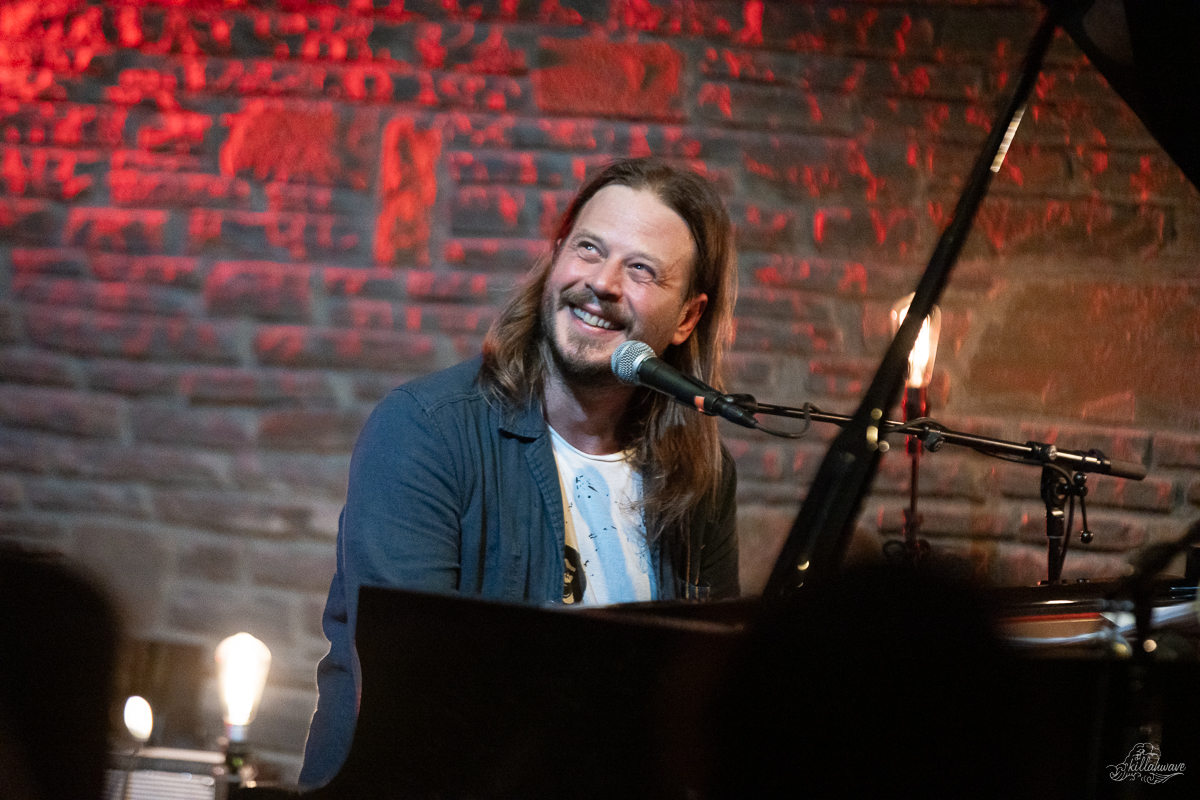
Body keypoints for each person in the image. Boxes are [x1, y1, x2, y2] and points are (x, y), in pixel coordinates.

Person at [298, 157, 741, 788]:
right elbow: (418, 700)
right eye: (588, 250)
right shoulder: (427, 430)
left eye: (640, 269)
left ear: (688, 318)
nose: (603, 283)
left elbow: (710, 702)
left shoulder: (702, 476)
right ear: (557, 258)